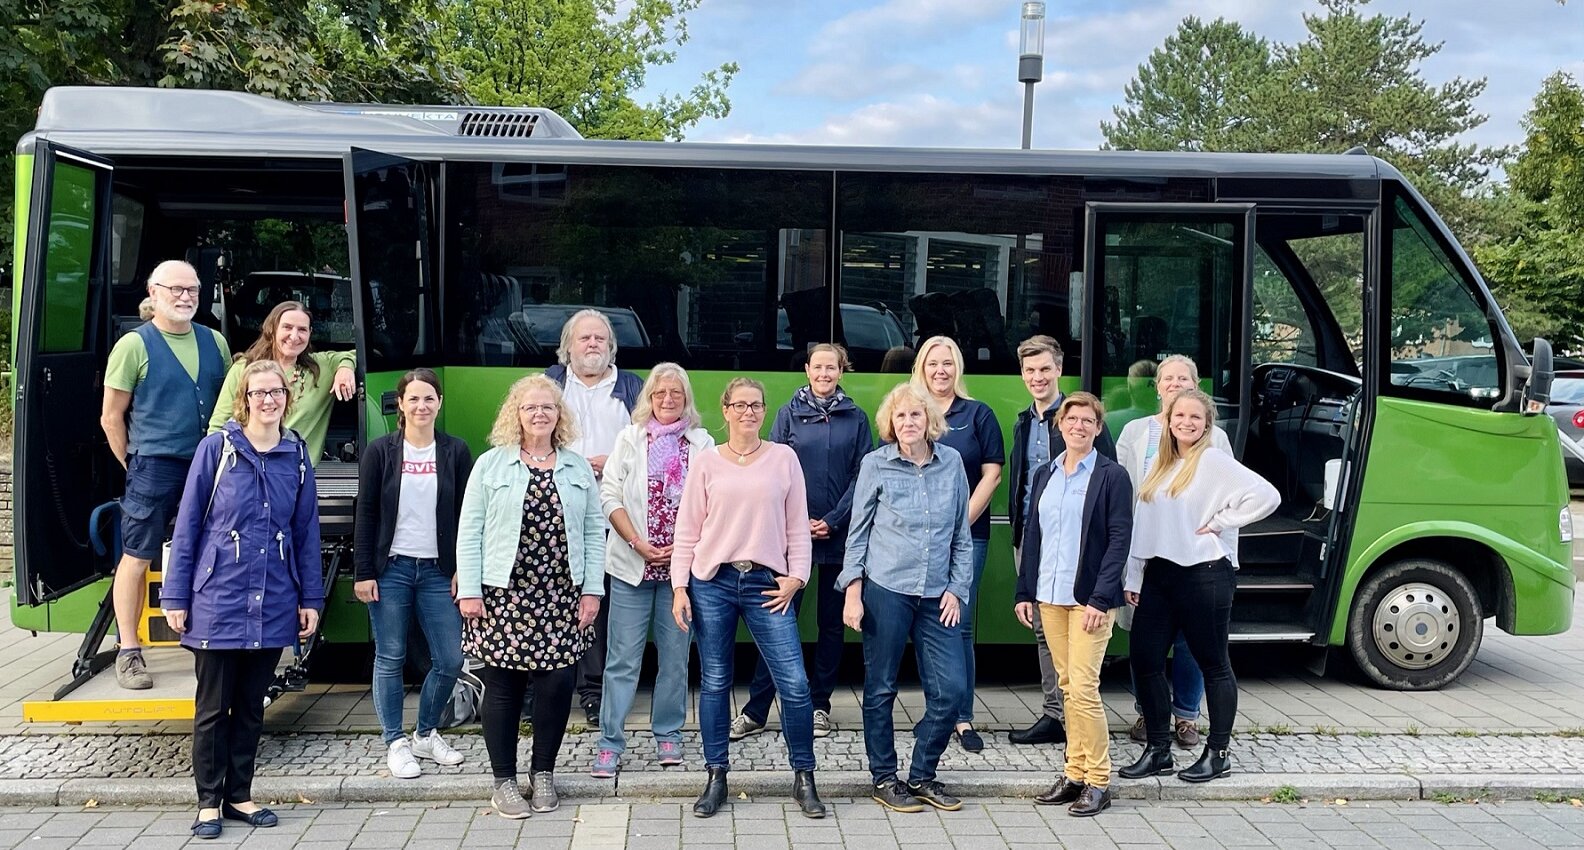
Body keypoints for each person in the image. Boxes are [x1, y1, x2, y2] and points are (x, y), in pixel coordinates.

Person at [160, 360, 324, 839]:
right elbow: (188, 524)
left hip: (273, 599)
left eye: (276, 392)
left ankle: (240, 795)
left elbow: (305, 531)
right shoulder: (217, 450)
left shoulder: (295, 454)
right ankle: (208, 802)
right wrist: (177, 594)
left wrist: (309, 596)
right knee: (213, 707)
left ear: (286, 400)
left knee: (253, 706)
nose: (268, 400)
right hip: (217, 598)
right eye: (259, 393)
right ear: (244, 400)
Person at [670, 378, 825, 820]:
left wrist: (797, 577)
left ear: (764, 411)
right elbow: (688, 531)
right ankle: (716, 775)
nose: (748, 412)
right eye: (739, 405)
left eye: (755, 405)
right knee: (716, 682)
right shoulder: (706, 463)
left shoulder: (783, 458)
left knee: (794, 684)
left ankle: (804, 777)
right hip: (712, 583)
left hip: (766, 585)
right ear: (725, 410)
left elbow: (798, 525)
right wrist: (680, 586)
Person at [456, 374, 606, 818]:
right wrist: (469, 590)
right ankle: (503, 780)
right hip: (503, 594)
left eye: (548, 407)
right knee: (503, 688)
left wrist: (592, 590)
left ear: (559, 414)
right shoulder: (491, 465)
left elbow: (594, 532)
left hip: (563, 594)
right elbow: (470, 530)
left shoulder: (577, 467)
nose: (539, 414)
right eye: (529, 407)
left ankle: (543, 774)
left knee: (557, 687)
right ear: (515, 414)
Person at [1119, 389, 1279, 784]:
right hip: (1159, 574)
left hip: (1203, 574)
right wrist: (1135, 575)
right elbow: (1145, 524)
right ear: (1168, 421)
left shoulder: (1211, 461)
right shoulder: (1162, 462)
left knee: (1214, 664)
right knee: (1144, 658)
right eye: (1180, 416)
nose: (1187, 423)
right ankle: (1158, 749)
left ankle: (1218, 753)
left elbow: (1267, 496)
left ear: (1207, 424)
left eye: (1196, 418)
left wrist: (1222, 522)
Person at [838, 383, 971, 814]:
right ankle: (884, 778)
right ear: (890, 425)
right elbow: (857, 533)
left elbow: (961, 537)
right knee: (880, 688)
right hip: (887, 590)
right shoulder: (875, 464)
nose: (908, 423)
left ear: (929, 420)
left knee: (951, 690)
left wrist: (957, 588)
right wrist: (853, 592)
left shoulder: (952, 463)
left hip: (938, 595)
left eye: (915, 415)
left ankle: (923, 775)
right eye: (900, 418)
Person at [101, 260, 232, 689]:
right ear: (153, 293)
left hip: (210, 465)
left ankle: (208, 639)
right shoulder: (133, 346)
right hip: (153, 466)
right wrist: (134, 464)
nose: (185, 296)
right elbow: (111, 418)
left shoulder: (215, 342)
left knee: (211, 552)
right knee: (137, 557)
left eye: (192, 289)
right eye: (175, 289)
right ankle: (128, 651)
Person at [733, 344, 872, 743]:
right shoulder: (787, 414)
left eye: (833, 367)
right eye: (818, 366)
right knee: (777, 622)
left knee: (831, 626)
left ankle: (819, 707)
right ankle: (757, 709)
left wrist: (831, 520)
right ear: (808, 370)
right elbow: (771, 470)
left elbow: (862, 476)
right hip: (790, 541)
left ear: (841, 372)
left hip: (837, 537)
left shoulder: (856, 418)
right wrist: (798, 522)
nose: (825, 373)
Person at [1014, 392, 1133, 817]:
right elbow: (1034, 535)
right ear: (1059, 426)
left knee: (1083, 688)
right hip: (1049, 596)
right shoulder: (1046, 473)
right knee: (1066, 689)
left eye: (1088, 420)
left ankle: (1099, 780)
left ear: (1098, 429)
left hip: (1089, 601)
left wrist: (1102, 598)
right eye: (1072, 419)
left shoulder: (1111, 476)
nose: (1079, 426)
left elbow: (1119, 540)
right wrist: (1024, 591)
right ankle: (1074, 772)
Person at [353, 368, 475, 779]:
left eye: (429, 398)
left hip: (439, 572)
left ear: (439, 404)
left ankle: (425, 733)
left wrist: (464, 569)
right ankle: (394, 741)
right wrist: (363, 571)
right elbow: (366, 512)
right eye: (414, 399)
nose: (422, 406)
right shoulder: (380, 451)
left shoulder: (456, 451)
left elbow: (467, 516)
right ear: (400, 405)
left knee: (450, 658)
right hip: (393, 569)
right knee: (390, 657)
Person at [592, 364, 714, 777]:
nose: (667, 399)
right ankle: (610, 742)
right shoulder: (629, 438)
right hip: (632, 566)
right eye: (660, 393)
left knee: (675, 659)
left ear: (686, 398)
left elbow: (710, 502)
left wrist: (683, 549)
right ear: (648, 397)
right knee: (621, 660)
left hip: (681, 572)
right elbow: (609, 496)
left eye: (675, 393)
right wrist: (637, 543)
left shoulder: (702, 442)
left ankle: (669, 734)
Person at [1114, 355, 1232, 750]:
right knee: (1144, 642)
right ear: (1158, 386)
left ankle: (1186, 717)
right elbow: (1124, 491)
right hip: (1146, 554)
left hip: (1197, 557)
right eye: (1168, 378)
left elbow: (1234, 495)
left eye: (1185, 378)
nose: (1175, 383)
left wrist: (1218, 536)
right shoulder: (1134, 432)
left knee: (1190, 642)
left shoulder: (1214, 437)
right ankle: (1149, 715)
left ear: (1196, 386)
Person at [545, 309, 643, 727]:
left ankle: (593, 691)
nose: (592, 345)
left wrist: (615, 462)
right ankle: (544, 686)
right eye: (584, 339)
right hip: (555, 513)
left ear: (611, 347)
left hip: (610, 517)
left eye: (600, 339)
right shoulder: (550, 384)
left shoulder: (632, 388)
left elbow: (648, 446)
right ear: (568, 346)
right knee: (551, 599)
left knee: (596, 605)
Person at [911, 335, 1003, 752]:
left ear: (958, 368)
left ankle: (962, 718)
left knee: (959, 625)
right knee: (925, 624)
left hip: (967, 535)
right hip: (915, 539)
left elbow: (992, 475)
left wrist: (958, 525)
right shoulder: (909, 412)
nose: (940, 371)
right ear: (922, 368)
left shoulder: (977, 414)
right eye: (933, 363)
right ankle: (936, 712)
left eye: (948, 363)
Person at [207, 300, 355, 464]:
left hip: (297, 474)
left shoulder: (320, 368)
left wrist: (345, 368)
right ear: (272, 329)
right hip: (248, 470)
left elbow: (362, 353)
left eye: (302, 330)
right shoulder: (244, 368)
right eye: (287, 327)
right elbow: (218, 425)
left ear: (310, 333)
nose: (294, 336)